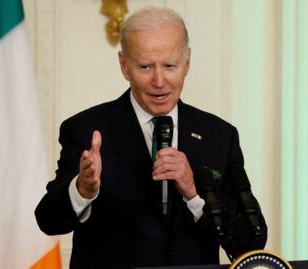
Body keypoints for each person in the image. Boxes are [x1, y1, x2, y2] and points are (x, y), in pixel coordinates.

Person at [35, 7, 267, 268]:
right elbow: (48, 220)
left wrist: (193, 194)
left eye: (170, 66)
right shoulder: (86, 130)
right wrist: (82, 190)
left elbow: (250, 244)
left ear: (187, 64)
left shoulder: (219, 136)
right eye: (145, 66)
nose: (159, 81)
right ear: (124, 66)